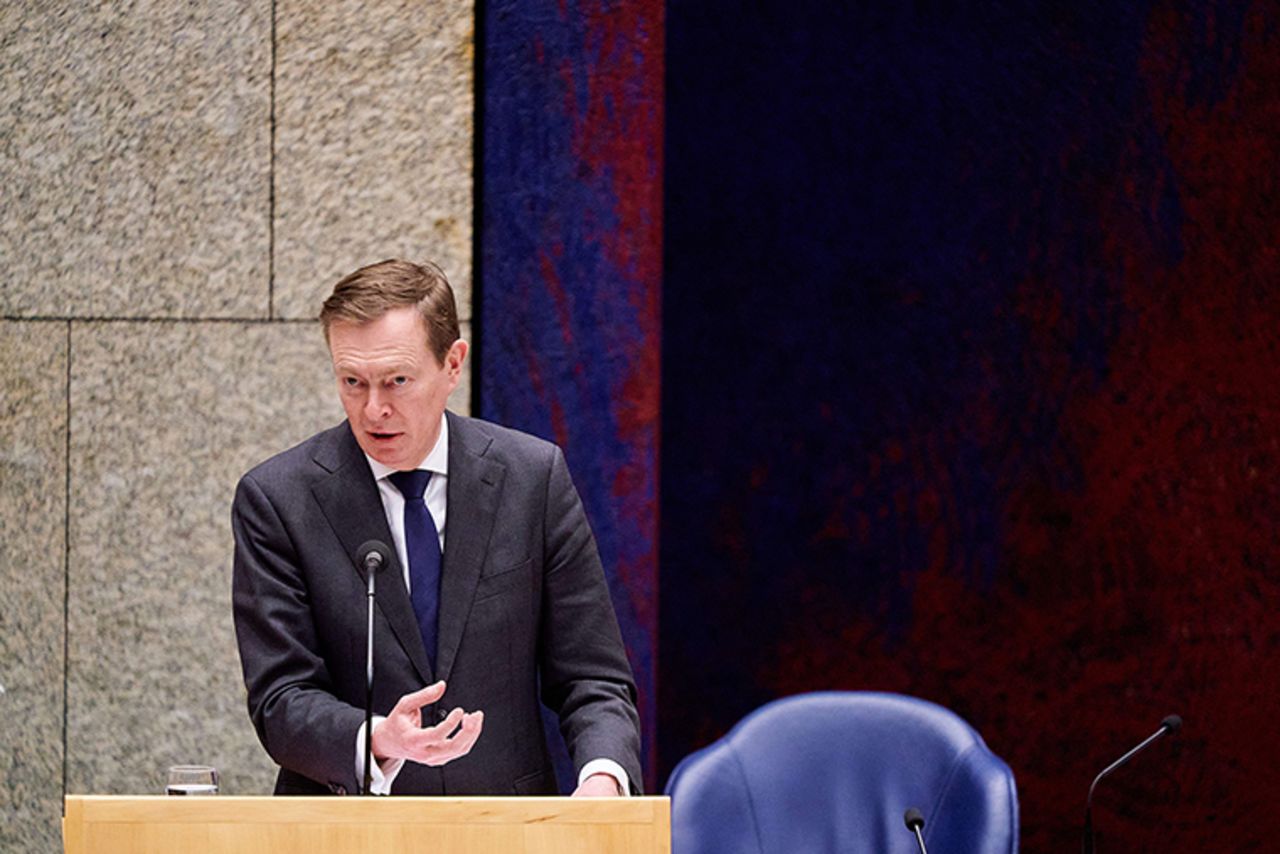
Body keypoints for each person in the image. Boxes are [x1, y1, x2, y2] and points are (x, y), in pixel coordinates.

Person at [231, 259, 641, 797]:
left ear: (453, 364)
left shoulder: (531, 480)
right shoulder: (278, 499)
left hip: (504, 825)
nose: (374, 408)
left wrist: (603, 780)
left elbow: (593, 678)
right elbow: (281, 696)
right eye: (352, 382)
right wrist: (378, 739)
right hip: (347, 828)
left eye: (397, 381)